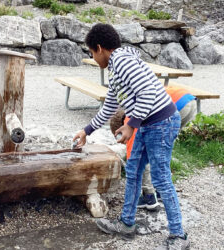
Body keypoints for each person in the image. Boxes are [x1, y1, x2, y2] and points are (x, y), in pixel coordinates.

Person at [73, 23, 190, 249]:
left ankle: (178, 235)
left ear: (99, 48)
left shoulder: (123, 61)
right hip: (149, 123)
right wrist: (86, 131)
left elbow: (147, 93)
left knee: (160, 177)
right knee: (134, 170)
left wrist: (130, 125)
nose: (93, 58)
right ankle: (127, 224)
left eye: (91, 53)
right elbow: (109, 107)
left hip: (162, 122)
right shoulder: (116, 69)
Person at [110, 86, 197, 211]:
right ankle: (161, 189)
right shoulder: (135, 109)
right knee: (160, 151)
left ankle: (149, 197)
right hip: (188, 100)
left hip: (178, 105)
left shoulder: (131, 120)